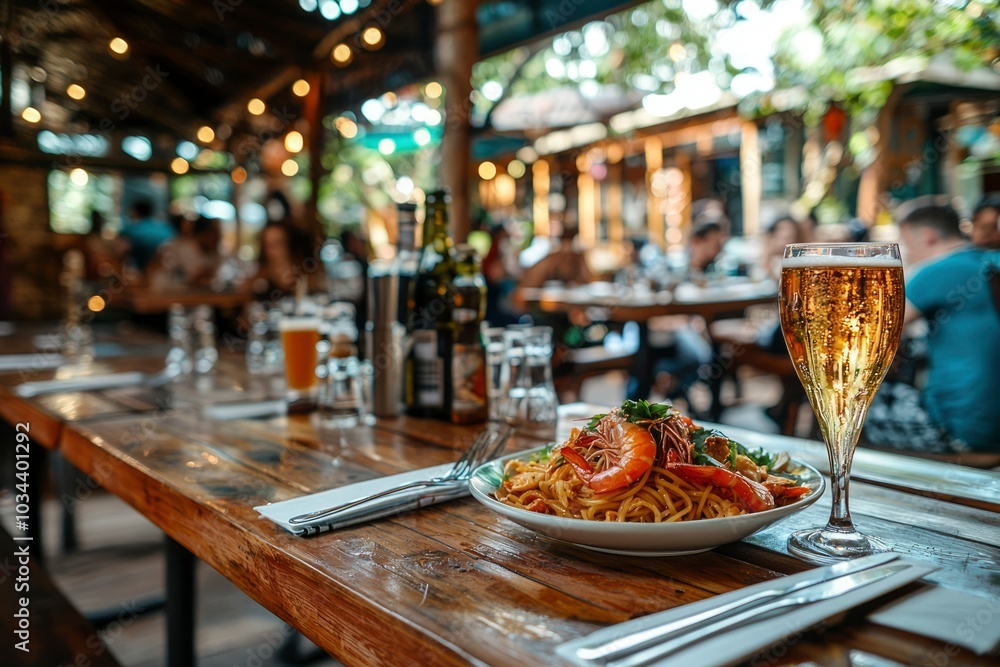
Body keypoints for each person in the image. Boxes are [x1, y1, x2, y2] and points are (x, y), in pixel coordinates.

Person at [863, 203, 1000, 453]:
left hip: (960, 429)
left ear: (928, 237)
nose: (905, 252)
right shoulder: (991, 259)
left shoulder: (938, 270)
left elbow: (877, 330)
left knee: (857, 411)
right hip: (991, 423)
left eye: (905, 243)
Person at [147, 216, 222, 289]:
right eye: (213, 235)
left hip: (192, 296)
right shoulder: (176, 247)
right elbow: (155, 276)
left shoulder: (213, 252)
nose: (217, 238)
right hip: (164, 293)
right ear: (201, 235)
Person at [118, 200, 174, 271]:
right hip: (166, 272)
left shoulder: (131, 230)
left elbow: (120, 252)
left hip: (143, 273)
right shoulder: (167, 228)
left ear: (135, 212)